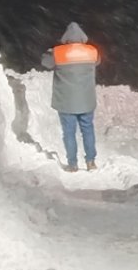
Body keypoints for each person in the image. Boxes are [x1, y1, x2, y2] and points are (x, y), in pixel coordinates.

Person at [42, 22, 100, 172]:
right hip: (86, 100)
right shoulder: (92, 51)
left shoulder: (58, 52)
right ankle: (91, 161)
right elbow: (98, 61)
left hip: (66, 101)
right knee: (88, 129)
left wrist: (49, 52)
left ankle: (73, 164)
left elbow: (45, 62)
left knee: (69, 132)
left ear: (66, 37)